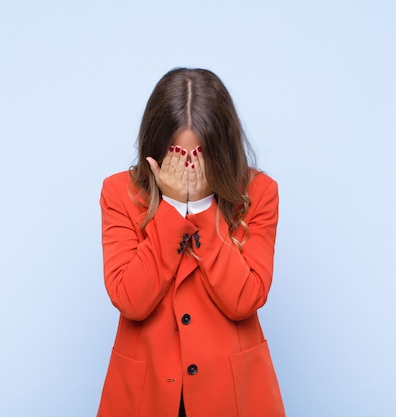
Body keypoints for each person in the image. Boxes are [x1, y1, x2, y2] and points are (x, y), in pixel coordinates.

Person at [97, 68, 285, 417]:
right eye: (176, 157)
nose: (188, 170)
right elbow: (130, 300)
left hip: (231, 394)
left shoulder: (259, 193)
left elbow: (245, 299)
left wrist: (200, 209)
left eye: (199, 157)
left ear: (222, 150)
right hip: (148, 392)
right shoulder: (118, 193)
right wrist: (171, 209)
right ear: (154, 152)